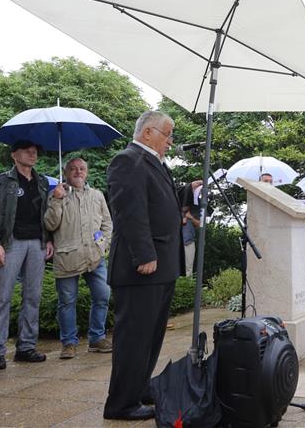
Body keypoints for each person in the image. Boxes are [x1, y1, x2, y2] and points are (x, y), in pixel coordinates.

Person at [103, 110, 199, 421]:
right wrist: (144, 255)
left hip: (162, 265)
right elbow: (130, 212)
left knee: (151, 335)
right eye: (166, 134)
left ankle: (138, 387)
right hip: (141, 266)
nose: (170, 141)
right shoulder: (127, 160)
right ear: (147, 133)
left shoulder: (154, 163)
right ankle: (120, 403)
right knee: (134, 337)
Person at [0, 140, 53, 371]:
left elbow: (46, 214)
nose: (33, 154)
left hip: (37, 243)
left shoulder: (42, 182)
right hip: (9, 243)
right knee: (0, 298)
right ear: (14, 155)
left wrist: (49, 239)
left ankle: (26, 347)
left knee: (32, 297)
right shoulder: (2, 181)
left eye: (35, 151)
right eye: (27, 151)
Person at [44, 158, 113, 359]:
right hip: (67, 257)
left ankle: (96, 338)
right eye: (73, 169)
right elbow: (50, 224)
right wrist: (56, 200)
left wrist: (103, 244)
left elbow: (107, 223)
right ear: (66, 173)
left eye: (82, 168)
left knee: (102, 296)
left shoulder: (97, 195)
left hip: (95, 256)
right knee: (67, 302)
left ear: (87, 172)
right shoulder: (57, 194)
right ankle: (68, 343)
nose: (78, 172)